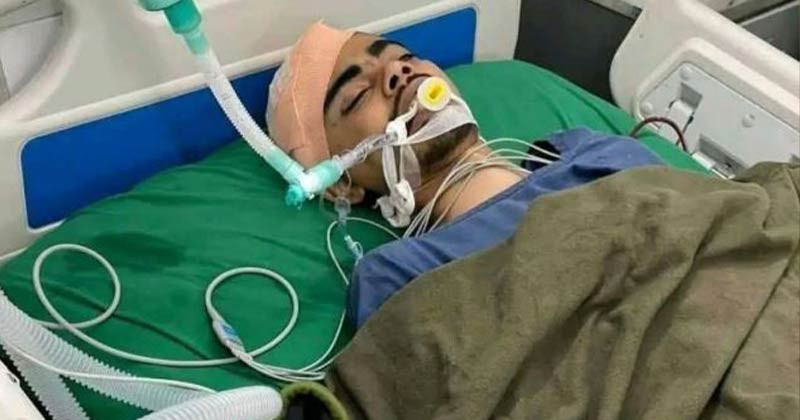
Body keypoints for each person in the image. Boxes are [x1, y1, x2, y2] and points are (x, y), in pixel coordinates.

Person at [267, 22, 663, 328]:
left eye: (404, 56)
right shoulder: (399, 278)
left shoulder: (591, 153)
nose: (397, 72)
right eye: (356, 96)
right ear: (341, 183)